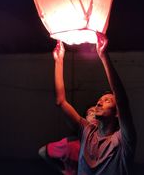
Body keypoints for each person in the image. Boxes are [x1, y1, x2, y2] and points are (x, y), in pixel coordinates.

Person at [53, 32, 136, 175]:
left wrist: (103, 55)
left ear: (117, 113)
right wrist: (59, 60)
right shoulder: (87, 132)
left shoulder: (123, 140)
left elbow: (122, 102)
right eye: (99, 100)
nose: (99, 103)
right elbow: (61, 102)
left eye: (107, 101)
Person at [38, 106, 97, 175]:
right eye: (91, 113)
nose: (94, 115)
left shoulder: (109, 144)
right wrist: (62, 170)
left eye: (97, 111)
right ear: (84, 120)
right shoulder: (70, 144)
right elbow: (42, 151)